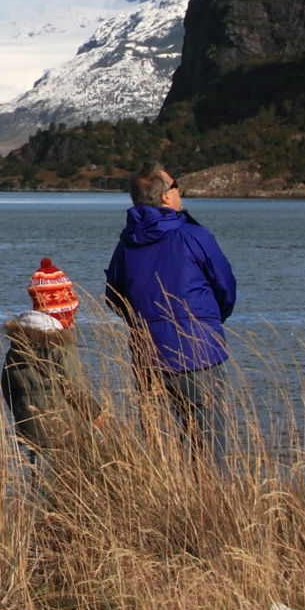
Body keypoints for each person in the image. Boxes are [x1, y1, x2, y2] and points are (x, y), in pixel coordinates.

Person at [104, 164, 237, 456]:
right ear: (165, 196)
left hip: (149, 355)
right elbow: (225, 286)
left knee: (160, 446)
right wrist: (210, 320)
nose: (180, 192)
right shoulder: (194, 236)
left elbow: (113, 296)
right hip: (199, 350)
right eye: (177, 186)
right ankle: (209, 499)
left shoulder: (127, 243)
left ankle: (169, 499)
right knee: (209, 442)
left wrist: (143, 325)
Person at [1, 258, 97, 458]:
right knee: (64, 480)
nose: (73, 323)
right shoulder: (61, 345)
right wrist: (98, 416)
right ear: (62, 314)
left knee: (38, 477)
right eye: (71, 315)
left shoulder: (18, 344)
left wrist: (21, 414)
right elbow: (75, 388)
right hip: (62, 430)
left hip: (28, 427)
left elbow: (7, 387)